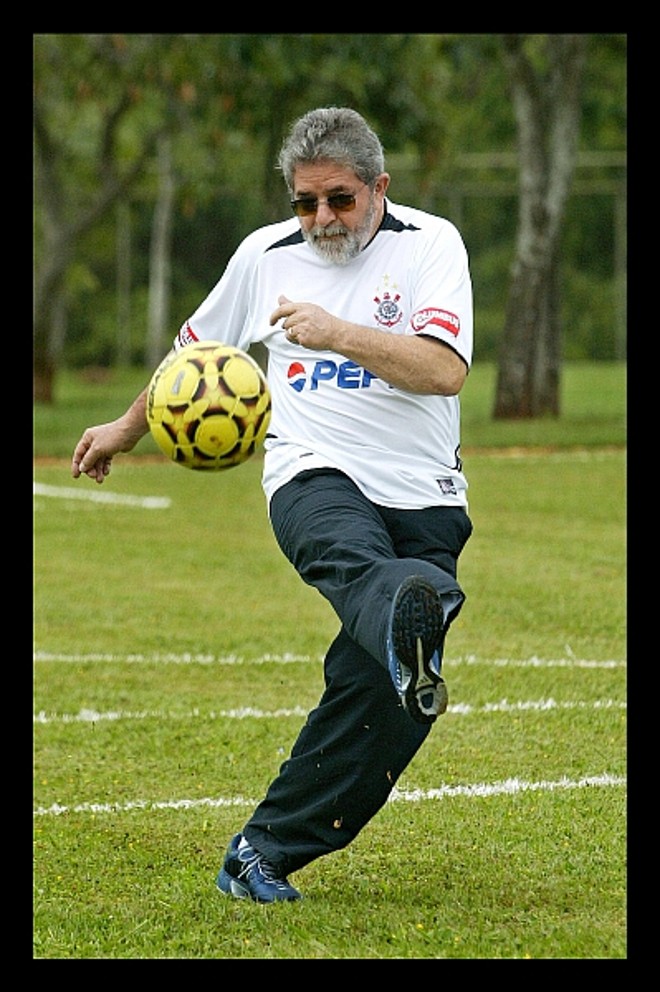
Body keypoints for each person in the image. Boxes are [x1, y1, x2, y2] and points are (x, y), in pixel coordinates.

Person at [71, 107, 474, 903]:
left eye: (339, 199)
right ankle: (412, 601)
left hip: (424, 496)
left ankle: (261, 851)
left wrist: (337, 332)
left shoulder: (432, 244)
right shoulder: (264, 255)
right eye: (304, 201)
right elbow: (193, 356)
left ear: (379, 188)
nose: (321, 218)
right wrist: (125, 427)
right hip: (312, 474)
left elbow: (442, 370)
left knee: (391, 701)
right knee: (365, 567)